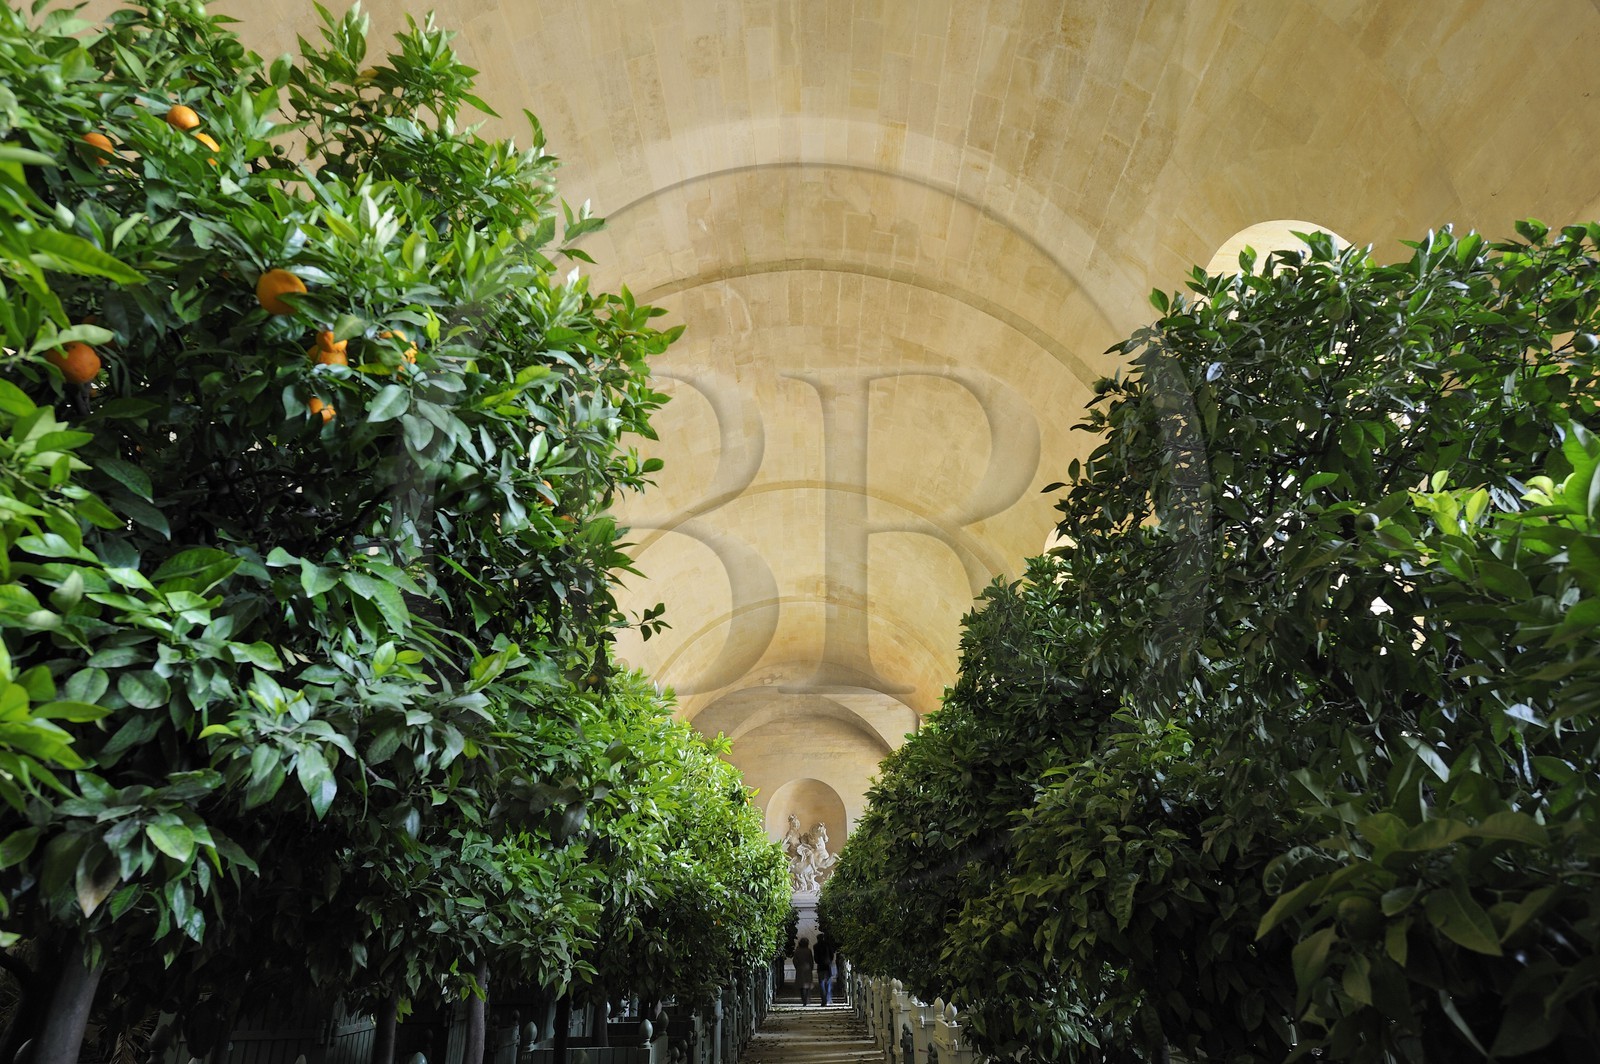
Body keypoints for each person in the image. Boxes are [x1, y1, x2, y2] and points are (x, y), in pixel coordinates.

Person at [792, 936, 816, 1006]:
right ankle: (807, 999)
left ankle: (804, 1000)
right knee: (807, 985)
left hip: (800, 969)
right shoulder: (808, 950)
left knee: (801, 986)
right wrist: (811, 967)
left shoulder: (797, 950)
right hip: (807, 969)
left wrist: (797, 966)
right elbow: (811, 960)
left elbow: (794, 960)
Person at [814, 933, 836, 1006]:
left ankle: (823, 1000)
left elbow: (816, 958)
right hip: (827, 966)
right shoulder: (828, 945)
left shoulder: (816, 946)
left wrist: (819, 961)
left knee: (822, 984)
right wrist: (829, 961)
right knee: (828, 983)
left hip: (820, 966)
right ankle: (828, 999)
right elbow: (832, 956)